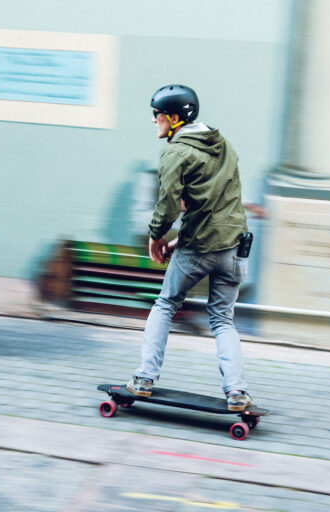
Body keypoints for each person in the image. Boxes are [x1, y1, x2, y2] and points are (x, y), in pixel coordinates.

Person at [126, 84, 253, 411]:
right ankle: (237, 392)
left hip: (198, 249)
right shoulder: (223, 146)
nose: (154, 121)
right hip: (234, 248)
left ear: (173, 118)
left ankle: (144, 379)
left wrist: (155, 236)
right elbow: (215, 208)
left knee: (165, 304)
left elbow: (168, 206)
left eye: (157, 115)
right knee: (223, 321)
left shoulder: (175, 152)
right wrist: (176, 240)